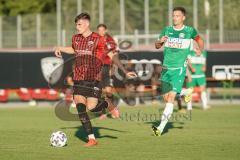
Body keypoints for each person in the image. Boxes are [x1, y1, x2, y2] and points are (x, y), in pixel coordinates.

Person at [54, 13, 136, 146]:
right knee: (81, 108)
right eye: (76, 25)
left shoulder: (99, 39)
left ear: (87, 24)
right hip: (79, 78)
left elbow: (111, 54)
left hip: (94, 78)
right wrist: (60, 48)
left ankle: (108, 105)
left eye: (79, 24)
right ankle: (92, 138)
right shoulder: (76, 38)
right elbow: (74, 49)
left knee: (92, 108)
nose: (77, 27)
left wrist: (125, 71)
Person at [152, 7, 204, 136]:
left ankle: (160, 128)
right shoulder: (167, 30)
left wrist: (200, 49)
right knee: (165, 97)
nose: (175, 18)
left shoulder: (189, 31)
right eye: (173, 15)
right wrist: (160, 41)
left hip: (179, 68)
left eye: (177, 16)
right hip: (166, 68)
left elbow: (199, 39)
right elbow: (157, 46)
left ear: (183, 17)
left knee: (171, 98)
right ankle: (186, 91)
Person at [97, 24, 117, 119]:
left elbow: (114, 55)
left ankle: (113, 108)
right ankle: (103, 112)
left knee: (109, 92)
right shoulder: (95, 40)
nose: (101, 32)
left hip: (107, 68)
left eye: (102, 30)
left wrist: (113, 68)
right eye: (99, 30)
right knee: (101, 92)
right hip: (97, 68)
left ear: (105, 30)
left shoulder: (110, 40)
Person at [186, 45, 210, 110]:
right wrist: (191, 68)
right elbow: (188, 61)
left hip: (201, 75)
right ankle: (189, 106)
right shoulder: (190, 53)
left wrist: (204, 66)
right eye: (198, 49)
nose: (200, 51)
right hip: (192, 76)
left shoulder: (204, 53)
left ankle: (204, 105)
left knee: (203, 89)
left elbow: (204, 61)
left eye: (201, 49)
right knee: (189, 91)